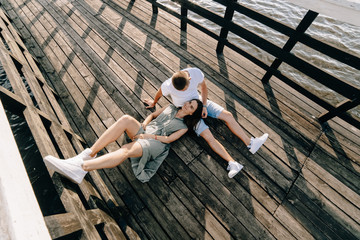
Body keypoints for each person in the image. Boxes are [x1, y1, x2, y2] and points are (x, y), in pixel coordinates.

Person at [144, 68, 269, 178]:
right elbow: (160, 92)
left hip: (198, 102)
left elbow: (203, 88)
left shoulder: (195, 73)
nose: (184, 91)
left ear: (190, 78)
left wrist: (204, 106)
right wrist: (154, 103)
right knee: (209, 137)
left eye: (186, 88)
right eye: (181, 91)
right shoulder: (168, 85)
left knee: (228, 115)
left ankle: (250, 143)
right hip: (187, 113)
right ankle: (232, 163)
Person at [43, 99, 203, 184]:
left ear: (192, 113)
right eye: (189, 103)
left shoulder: (184, 126)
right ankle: (88, 154)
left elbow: (168, 139)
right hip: (147, 130)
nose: (187, 106)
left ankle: (82, 168)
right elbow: (153, 115)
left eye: (191, 107)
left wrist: (147, 136)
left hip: (157, 143)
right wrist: (144, 125)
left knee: (127, 148)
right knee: (126, 119)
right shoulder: (170, 107)